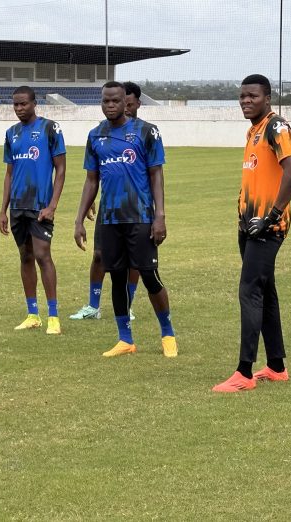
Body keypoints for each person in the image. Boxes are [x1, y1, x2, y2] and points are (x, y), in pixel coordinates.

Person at [74, 81, 177, 358]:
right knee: (117, 278)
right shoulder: (95, 135)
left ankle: (168, 334)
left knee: (150, 276)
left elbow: (156, 174)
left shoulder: (146, 132)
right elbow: (91, 180)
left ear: (125, 102)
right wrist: (79, 219)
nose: (110, 105)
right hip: (110, 220)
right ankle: (125, 339)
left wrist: (160, 215)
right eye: (105, 101)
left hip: (140, 217)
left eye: (115, 101)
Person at [212, 74, 291, 392]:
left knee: (249, 291)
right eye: (242, 96)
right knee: (265, 292)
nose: (246, 101)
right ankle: (276, 366)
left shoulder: (277, 127)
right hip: (250, 225)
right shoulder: (254, 131)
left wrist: (272, 216)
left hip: (268, 227)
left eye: (253, 96)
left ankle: (244, 373)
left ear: (268, 97)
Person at [0, 85, 66, 335]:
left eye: (23, 104)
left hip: (40, 206)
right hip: (18, 206)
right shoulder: (11, 133)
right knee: (25, 256)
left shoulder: (50, 128)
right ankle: (32, 314)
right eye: (15, 104)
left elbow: (61, 169)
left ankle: (53, 317)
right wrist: (3, 210)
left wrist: (52, 205)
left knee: (42, 255)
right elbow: (9, 174)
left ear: (34, 103)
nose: (19, 108)